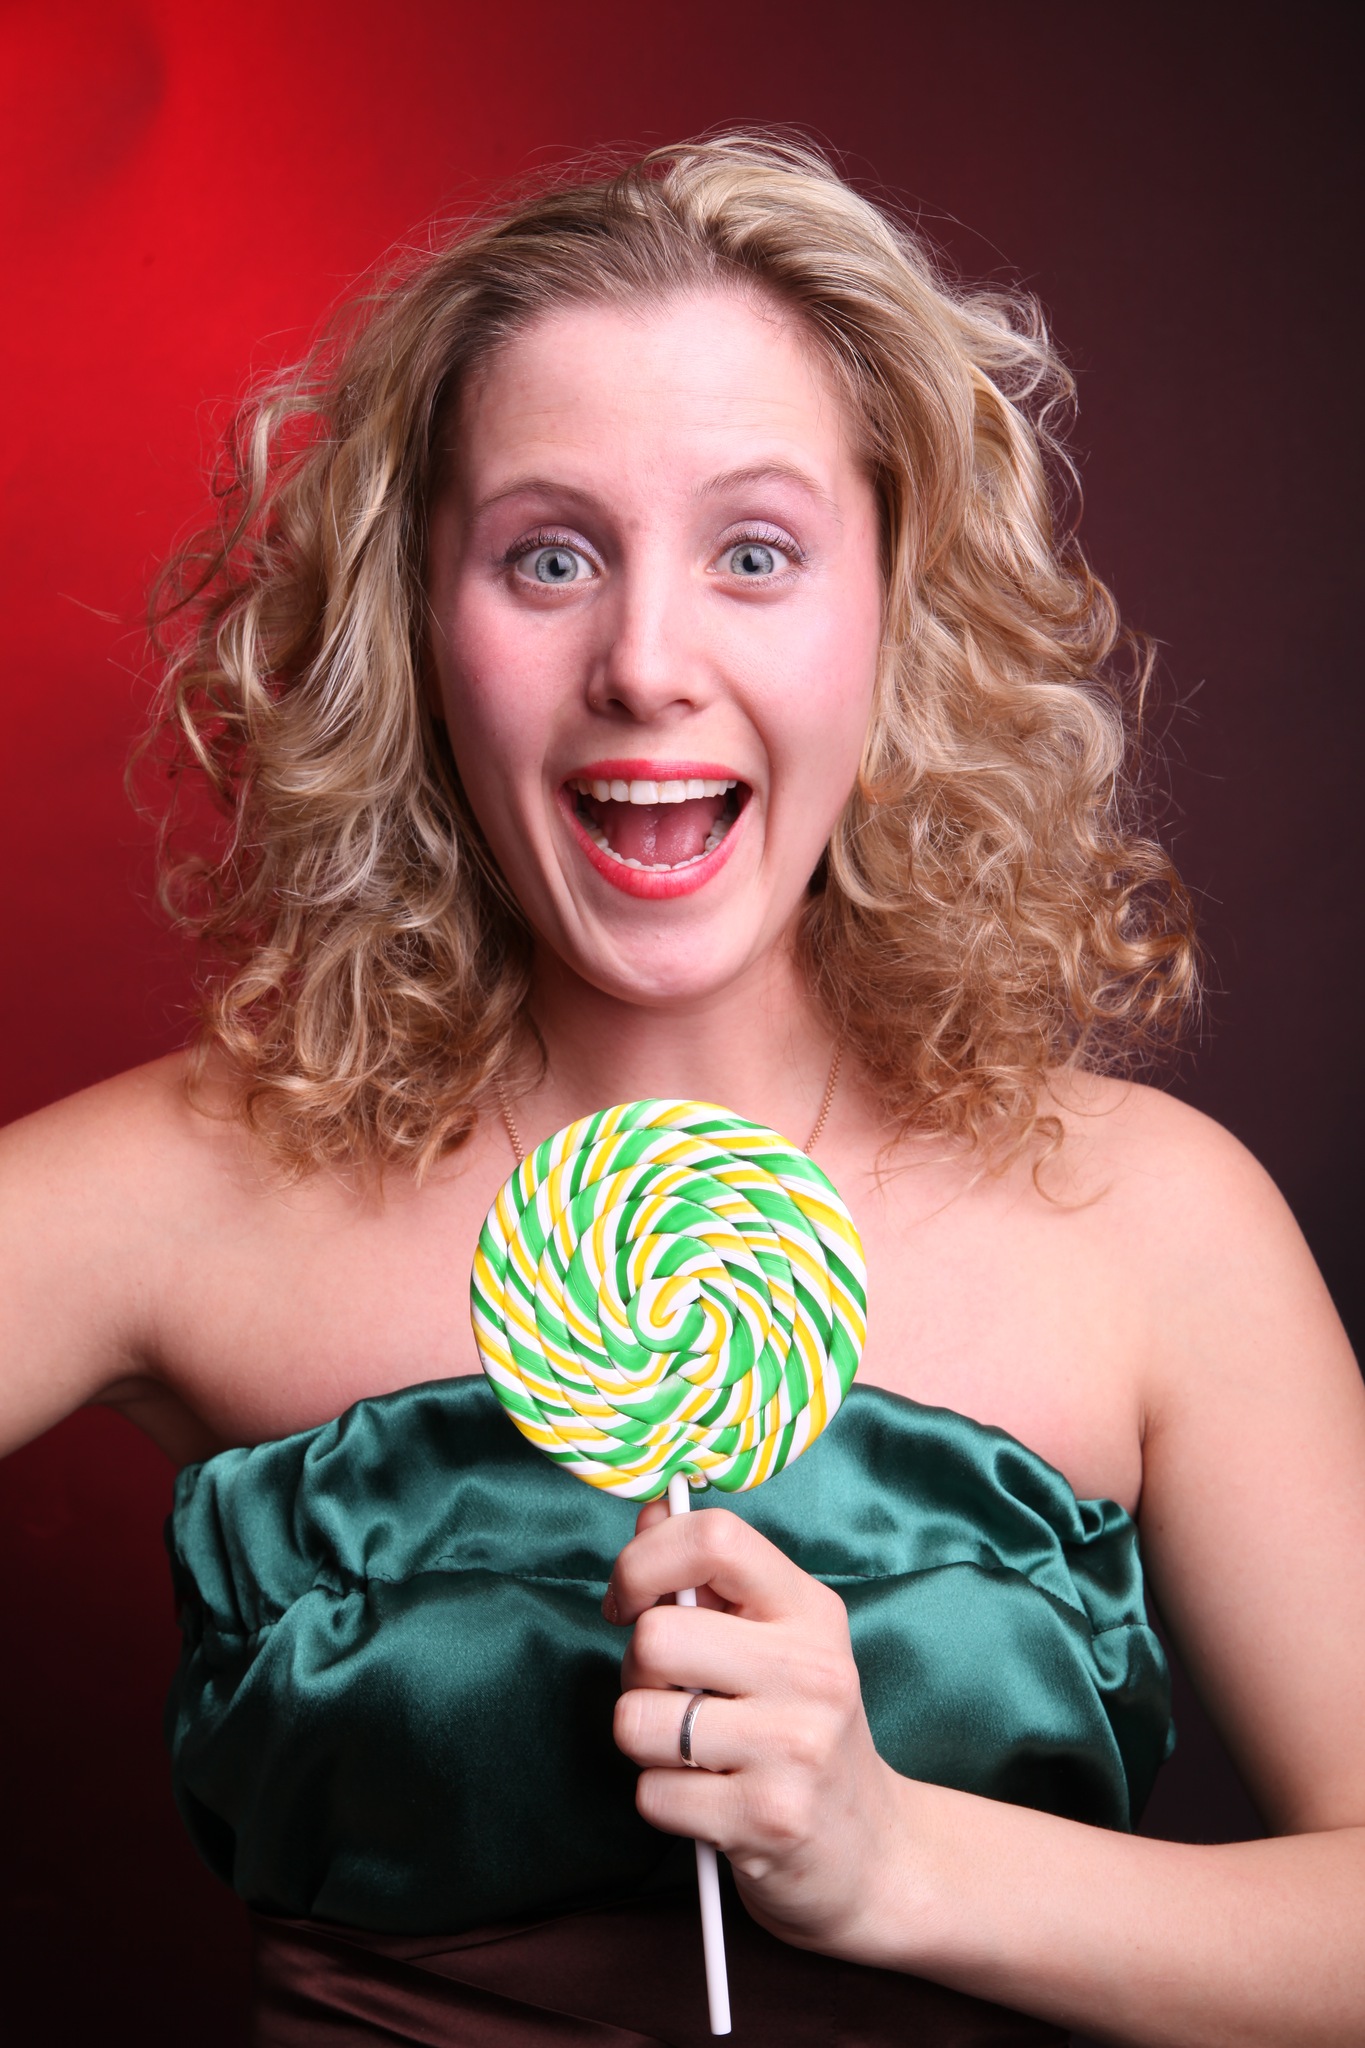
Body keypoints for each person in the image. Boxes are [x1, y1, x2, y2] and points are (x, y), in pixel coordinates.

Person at [3, 134, 1362, 2046]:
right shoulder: (208, 1176)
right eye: (547, 557)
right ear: (420, 627)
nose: (646, 663)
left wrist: (901, 1862)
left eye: (755, 553)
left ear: (893, 612)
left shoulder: (1154, 1221)